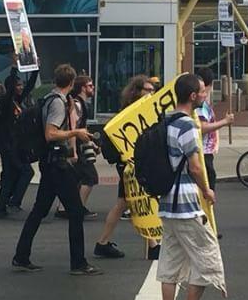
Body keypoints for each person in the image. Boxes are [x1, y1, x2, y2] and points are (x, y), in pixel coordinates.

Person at [12, 64, 101, 275]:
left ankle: (21, 255)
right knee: (76, 211)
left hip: (51, 162)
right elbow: (50, 134)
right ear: (71, 83)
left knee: (40, 210)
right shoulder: (58, 104)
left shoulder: (53, 100)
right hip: (57, 164)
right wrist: (75, 133)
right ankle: (78, 263)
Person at [157, 74, 226, 300]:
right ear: (193, 96)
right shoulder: (186, 125)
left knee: (170, 264)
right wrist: (207, 191)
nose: (205, 94)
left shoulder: (166, 120)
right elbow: (196, 166)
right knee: (208, 259)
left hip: (167, 203)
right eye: (202, 91)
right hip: (186, 203)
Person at [94, 75, 160, 259]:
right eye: (148, 90)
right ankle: (104, 243)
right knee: (131, 201)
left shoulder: (144, 111)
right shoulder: (129, 114)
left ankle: (106, 242)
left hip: (137, 164)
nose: (151, 93)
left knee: (133, 201)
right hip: (129, 166)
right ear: (137, 92)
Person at [0, 65, 38, 218]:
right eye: (18, 85)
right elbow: (11, 88)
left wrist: (36, 69)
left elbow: (29, 87)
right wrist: (13, 68)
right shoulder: (5, 102)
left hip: (15, 146)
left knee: (9, 176)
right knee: (26, 171)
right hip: (8, 147)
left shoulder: (16, 101)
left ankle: (1, 207)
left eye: (21, 85)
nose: (21, 87)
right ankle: (13, 202)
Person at [56, 75, 98, 220]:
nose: (93, 88)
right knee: (90, 177)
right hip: (76, 147)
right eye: (90, 86)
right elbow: (73, 128)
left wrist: (91, 143)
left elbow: (81, 128)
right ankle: (76, 209)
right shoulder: (77, 105)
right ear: (82, 88)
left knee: (76, 178)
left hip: (80, 145)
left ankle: (64, 208)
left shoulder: (82, 105)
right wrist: (72, 152)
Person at [197, 67, 234, 191]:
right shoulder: (200, 105)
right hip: (203, 152)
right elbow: (201, 127)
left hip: (206, 152)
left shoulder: (203, 104)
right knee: (207, 188)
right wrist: (224, 122)